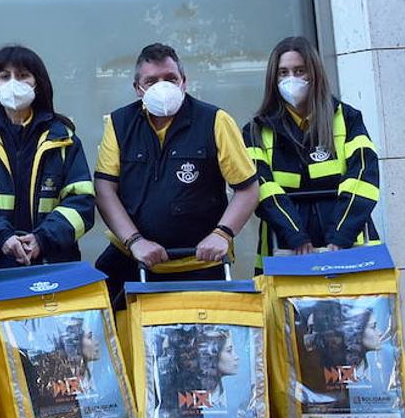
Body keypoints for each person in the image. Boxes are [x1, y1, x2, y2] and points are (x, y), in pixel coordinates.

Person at [94, 43, 259, 305]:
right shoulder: (119, 123)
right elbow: (104, 190)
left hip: (201, 261)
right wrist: (135, 241)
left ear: (184, 82)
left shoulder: (215, 120)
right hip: (131, 258)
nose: (162, 87)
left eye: (170, 78)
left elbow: (248, 188)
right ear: (138, 88)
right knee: (102, 325)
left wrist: (222, 234)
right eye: (151, 81)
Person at [0, 45, 94, 275]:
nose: (13, 83)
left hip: (53, 263)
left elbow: (81, 203)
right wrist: (3, 237)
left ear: (39, 83)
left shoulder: (64, 138)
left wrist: (42, 239)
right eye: (4, 76)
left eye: (23, 75)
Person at [243, 36, 380, 270]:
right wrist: (296, 236)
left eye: (300, 71)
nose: (291, 79)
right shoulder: (257, 130)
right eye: (283, 73)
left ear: (314, 74)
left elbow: (363, 178)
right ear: (273, 79)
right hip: (285, 251)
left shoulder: (347, 119)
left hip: (349, 248)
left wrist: (340, 236)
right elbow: (262, 187)